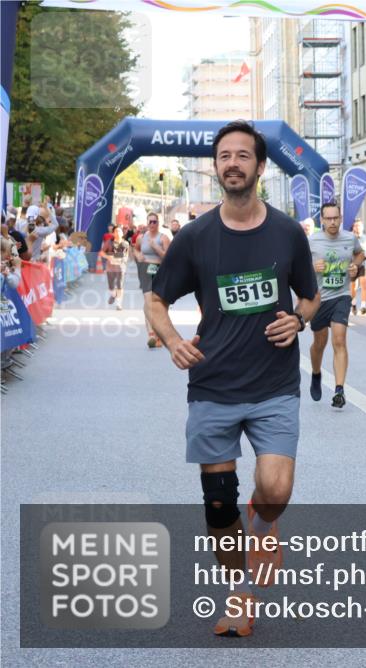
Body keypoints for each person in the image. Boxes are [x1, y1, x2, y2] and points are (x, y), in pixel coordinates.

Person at [147, 120, 321, 638]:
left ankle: (263, 523)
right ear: (217, 167)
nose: (233, 164)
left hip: (273, 384)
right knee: (219, 501)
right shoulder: (196, 236)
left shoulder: (287, 232)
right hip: (213, 384)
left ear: (260, 167)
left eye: (243, 155)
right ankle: (239, 595)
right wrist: (172, 341)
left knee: (276, 488)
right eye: (224, 156)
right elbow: (156, 300)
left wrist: (300, 319)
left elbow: (311, 296)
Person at [308, 201, 363, 408]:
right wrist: (312, 266)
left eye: (335, 218)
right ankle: (316, 373)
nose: (332, 222)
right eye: (328, 218)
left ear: (340, 219)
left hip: (342, 295)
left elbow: (359, 254)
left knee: (339, 340)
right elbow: (297, 264)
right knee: (319, 343)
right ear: (322, 220)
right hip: (319, 299)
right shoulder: (312, 240)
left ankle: (339, 390)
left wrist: (355, 266)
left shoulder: (349, 238)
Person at [133, 212, 171, 348]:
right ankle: (151, 335)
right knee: (148, 302)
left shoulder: (163, 238)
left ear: (158, 223)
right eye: (150, 222)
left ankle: (159, 334)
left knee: (160, 304)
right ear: (147, 223)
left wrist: (156, 247)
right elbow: (135, 250)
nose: (152, 224)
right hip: (145, 270)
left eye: (155, 221)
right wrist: (138, 256)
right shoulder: (141, 238)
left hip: (160, 270)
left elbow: (169, 257)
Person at [99, 225, 130, 310]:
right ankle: (113, 295)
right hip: (110, 268)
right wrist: (108, 257)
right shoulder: (109, 242)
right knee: (111, 287)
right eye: (116, 231)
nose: (118, 233)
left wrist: (124, 259)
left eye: (120, 231)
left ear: (122, 233)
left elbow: (127, 255)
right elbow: (101, 253)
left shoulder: (126, 243)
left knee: (120, 285)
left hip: (121, 268)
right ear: (113, 233)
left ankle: (119, 304)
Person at [350, 220, 366, 315]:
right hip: (353, 264)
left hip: (364, 264)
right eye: (356, 226)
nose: (357, 227)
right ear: (353, 227)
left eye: (359, 226)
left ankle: (363, 306)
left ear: (362, 227)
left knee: (364, 286)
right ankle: (354, 304)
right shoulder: (350, 238)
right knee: (353, 286)